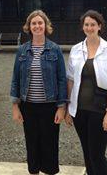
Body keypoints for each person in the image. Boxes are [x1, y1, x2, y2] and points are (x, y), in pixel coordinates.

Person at [10, 10, 67, 175]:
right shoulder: (22, 51)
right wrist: (15, 106)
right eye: (33, 23)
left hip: (49, 106)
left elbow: (62, 79)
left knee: (49, 144)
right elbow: (15, 79)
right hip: (28, 106)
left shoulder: (54, 50)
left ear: (46, 26)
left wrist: (61, 107)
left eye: (40, 23)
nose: (37, 26)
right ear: (29, 27)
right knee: (32, 143)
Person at [65, 10, 107, 175]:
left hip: (100, 109)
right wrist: (69, 109)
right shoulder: (76, 50)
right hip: (79, 110)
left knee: (97, 154)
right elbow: (70, 80)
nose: (89, 28)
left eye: (93, 25)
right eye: (86, 24)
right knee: (87, 153)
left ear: (99, 26)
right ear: (83, 27)